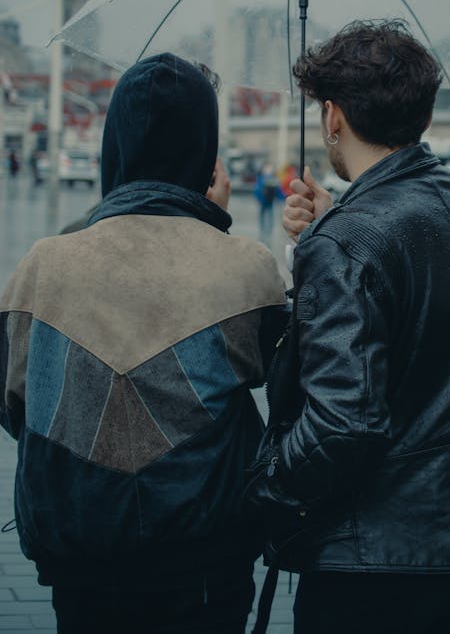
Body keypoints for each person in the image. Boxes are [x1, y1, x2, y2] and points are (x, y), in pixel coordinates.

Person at [0, 53, 287, 634]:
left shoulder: (42, 266)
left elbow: (14, 407)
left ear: (113, 145)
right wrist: (210, 225)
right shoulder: (246, 267)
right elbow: (288, 394)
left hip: (79, 562)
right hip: (206, 563)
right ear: (207, 155)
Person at [246, 20, 450, 633]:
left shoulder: (346, 243)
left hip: (376, 571)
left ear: (331, 117)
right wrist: (332, 233)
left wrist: (264, 490)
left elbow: (342, 423)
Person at [254, 163, 283, 241]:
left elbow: (257, 189)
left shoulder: (264, 179)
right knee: (267, 214)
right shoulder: (269, 179)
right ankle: (266, 228)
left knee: (266, 214)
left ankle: (266, 229)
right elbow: (278, 191)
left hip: (266, 200)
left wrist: (282, 198)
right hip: (267, 200)